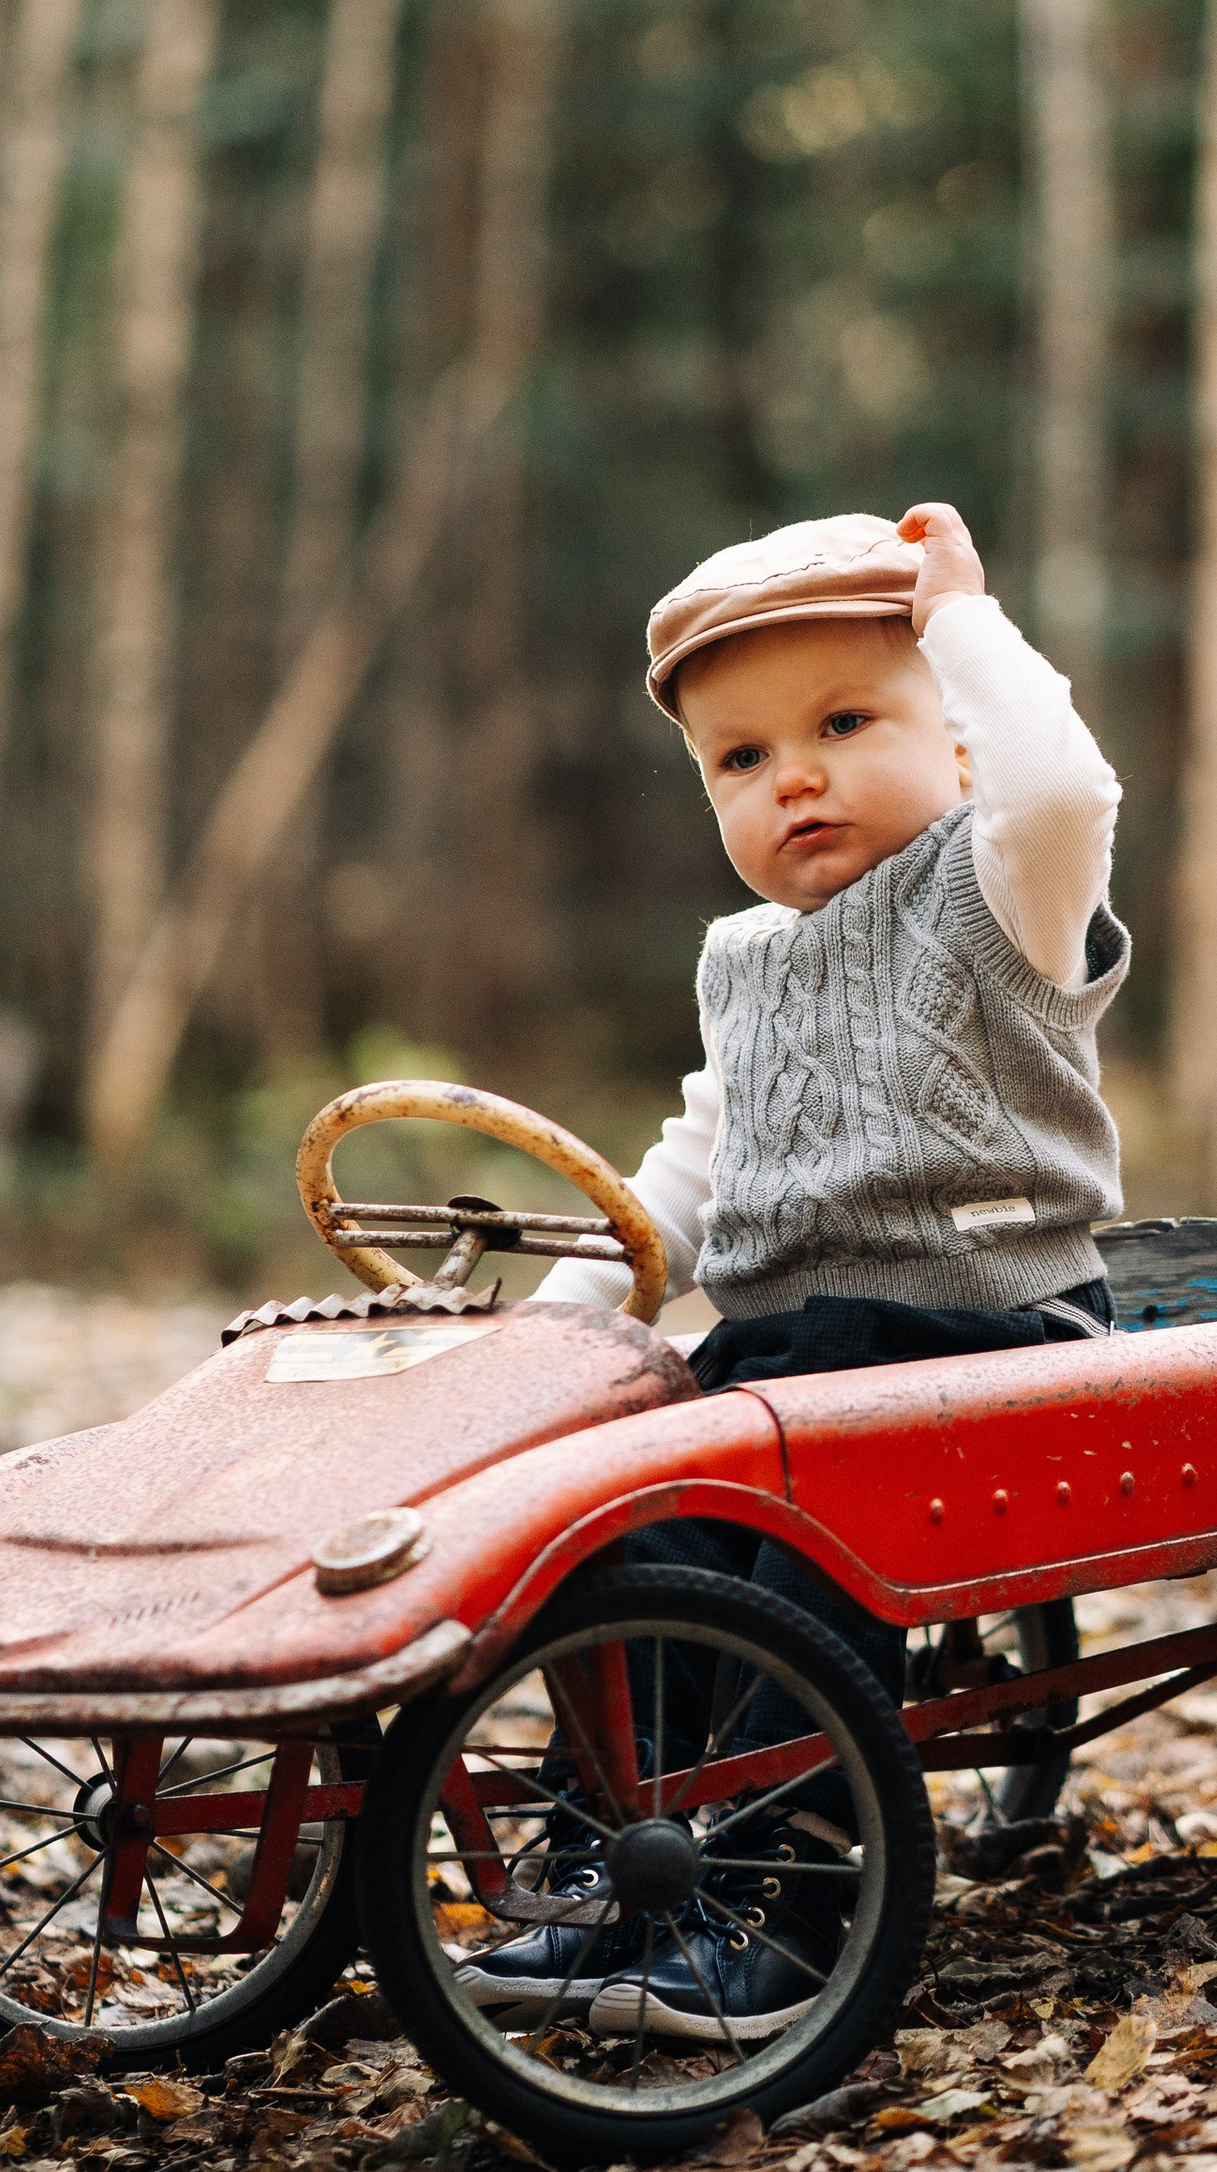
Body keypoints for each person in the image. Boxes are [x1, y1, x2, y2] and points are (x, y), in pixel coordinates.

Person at [465, 501, 1127, 2046]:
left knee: (803, 1526)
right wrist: (570, 1342)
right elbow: (697, 1170)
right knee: (631, 1517)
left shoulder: (999, 884)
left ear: (955, 740)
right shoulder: (746, 959)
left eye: (844, 722)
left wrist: (961, 626)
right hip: (795, 1358)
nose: (797, 777)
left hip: (986, 1322)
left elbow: (1062, 780)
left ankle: (794, 1895)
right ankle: (614, 1856)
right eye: (743, 760)